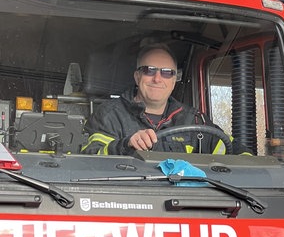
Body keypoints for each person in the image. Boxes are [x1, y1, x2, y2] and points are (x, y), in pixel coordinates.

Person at [81, 43, 250, 155]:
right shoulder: (108, 115)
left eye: (167, 72)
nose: (157, 78)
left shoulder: (195, 120)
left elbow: (236, 152)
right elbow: (89, 156)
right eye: (149, 70)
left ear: (174, 80)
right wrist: (126, 145)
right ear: (137, 76)